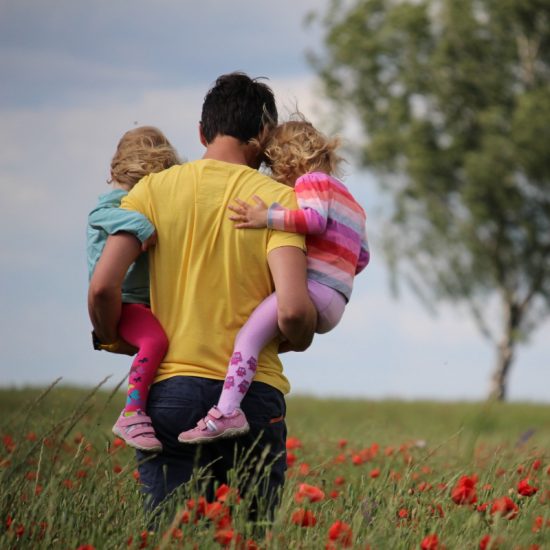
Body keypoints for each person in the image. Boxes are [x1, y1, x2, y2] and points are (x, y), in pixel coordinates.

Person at [88, 73, 317, 515]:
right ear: (264, 136)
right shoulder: (279, 202)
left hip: (169, 391)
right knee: (249, 538)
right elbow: (291, 310)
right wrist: (301, 335)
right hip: (252, 397)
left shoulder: (150, 191)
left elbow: (102, 286)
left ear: (201, 131)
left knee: (173, 535)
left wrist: (113, 335)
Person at [179, 116, 370, 444]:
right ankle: (237, 393)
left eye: (273, 165)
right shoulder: (352, 202)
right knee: (263, 339)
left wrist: (264, 217)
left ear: (289, 159)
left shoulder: (311, 182)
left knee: (247, 339)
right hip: (337, 299)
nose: (272, 175)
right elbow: (362, 257)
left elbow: (312, 220)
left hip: (314, 290)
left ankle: (227, 411)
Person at [87, 126, 180, 452]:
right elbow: (102, 215)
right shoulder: (114, 204)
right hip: (125, 302)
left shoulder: (130, 200)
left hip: (141, 302)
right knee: (155, 340)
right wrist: (142, 226)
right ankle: (132, 412)